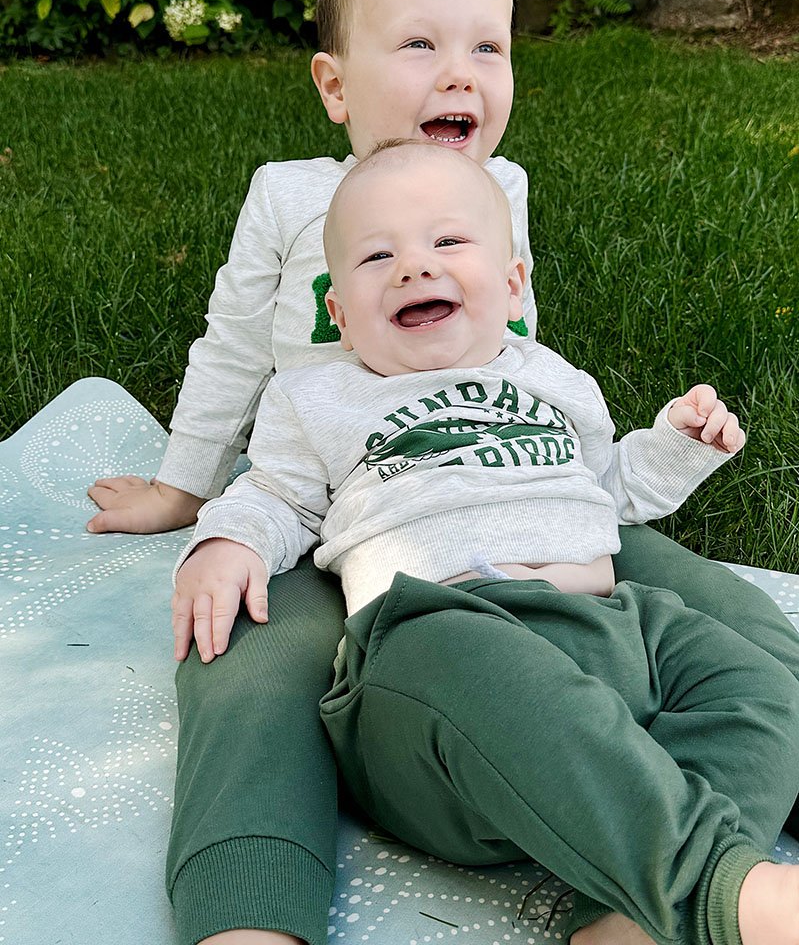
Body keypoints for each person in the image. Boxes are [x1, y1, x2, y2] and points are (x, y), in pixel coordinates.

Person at [86, 0, 799, 945]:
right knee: (240, 660)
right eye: (418, 45)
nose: (456, 73)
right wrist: (191, 495)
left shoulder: (501, 187)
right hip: (319, 485)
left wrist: (599, 481)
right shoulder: (290, 196)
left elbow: (521, 370)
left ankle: (655, 891)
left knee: (726, 627)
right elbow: (237, 347)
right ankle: (249, 911)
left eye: (486, 48)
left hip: (505, 484)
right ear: (335, 86)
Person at [173, 140, 799, 945]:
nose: (412, 267)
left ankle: (623, 918)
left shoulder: (552, 379)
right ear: (337, 312)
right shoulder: (315, 394)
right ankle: (717, 891)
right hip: (441, 664)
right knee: (448, 644)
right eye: (375, 256)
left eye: (446, 242)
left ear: (512, 287)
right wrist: (228, 542)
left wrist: (676, 445)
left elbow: (605, 492)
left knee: (752, 684)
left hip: (608, 628)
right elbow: (275, 492)